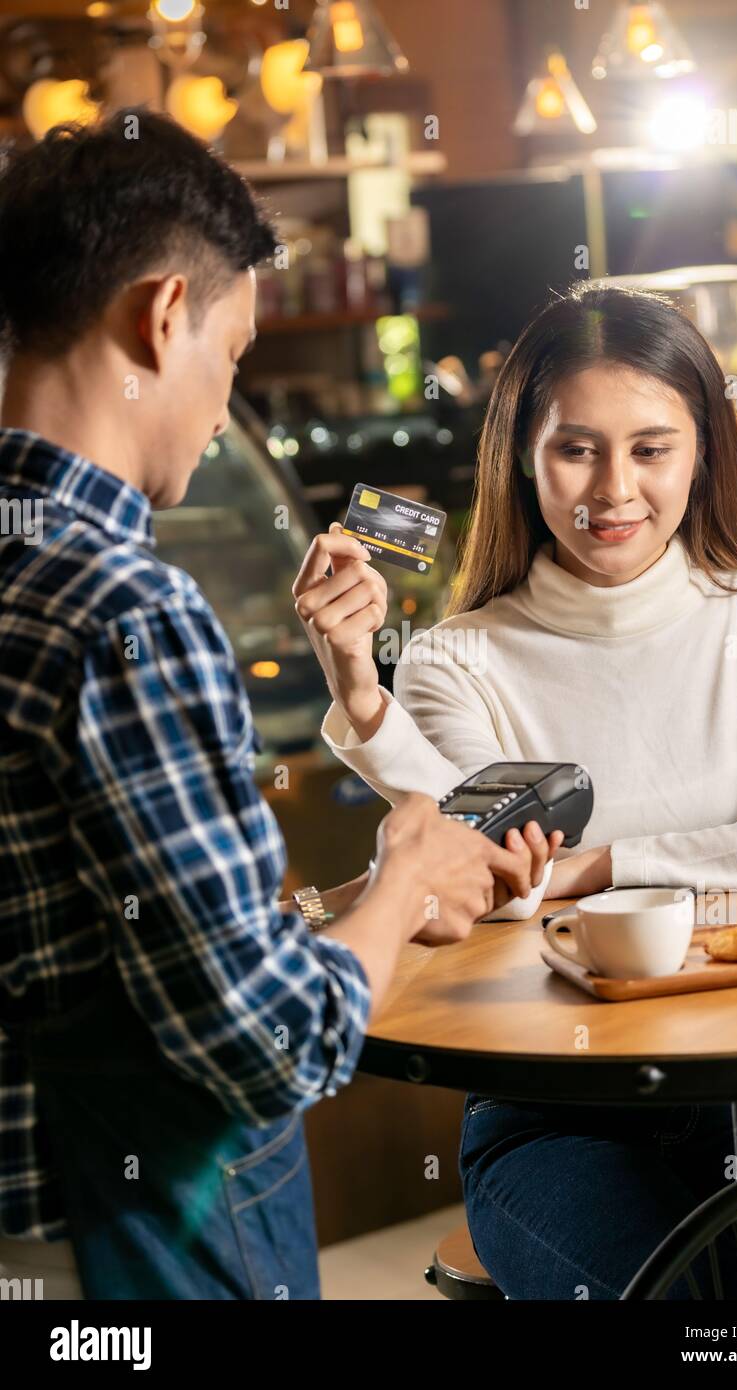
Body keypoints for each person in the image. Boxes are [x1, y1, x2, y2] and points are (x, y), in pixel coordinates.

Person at [0, 110, 557, 1301]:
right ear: (160, 318)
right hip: (116, 1250)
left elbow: (130, 958)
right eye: (234, 354)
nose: (222, 406)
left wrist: (362, 904)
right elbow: (267, 1048)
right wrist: (406, 863)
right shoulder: (123, 611)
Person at [294, 284, 737, 1299]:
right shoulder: (457, 658)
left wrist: (595, 870)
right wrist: (360, 693)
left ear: (702, 451)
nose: (614, 490)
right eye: (576, 449)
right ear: (520, 451)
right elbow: (480, 867)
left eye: (651, 448)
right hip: (550, 1102)